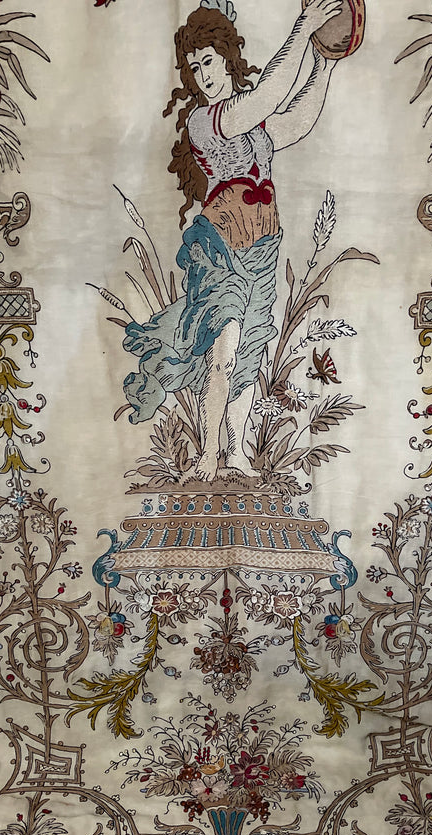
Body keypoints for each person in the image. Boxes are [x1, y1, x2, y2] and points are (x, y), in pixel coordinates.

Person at [123, 0, 344, 483]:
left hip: (262, 248)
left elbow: (295, 120)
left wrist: (323, 63)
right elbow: (267, 97)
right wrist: (303, 28)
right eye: (194, 67)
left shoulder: (252, 124)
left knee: (249, 354)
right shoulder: (205, 121)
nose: (202, 75)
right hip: (220, 247)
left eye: (208, 61)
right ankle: (208, 455)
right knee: (222, 352)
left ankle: (237, 454)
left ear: (227, 59)